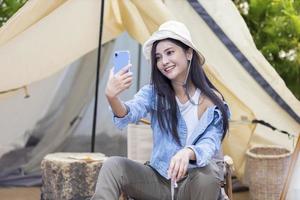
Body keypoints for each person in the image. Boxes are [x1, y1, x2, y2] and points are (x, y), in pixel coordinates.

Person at [91, 20, 230, 200]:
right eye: (158, 57)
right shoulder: (154, 93)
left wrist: (187, 152)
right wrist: (112, 97)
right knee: (113, 166)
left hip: (195, 185)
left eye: (170, 52)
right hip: (160, 182)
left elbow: (210, 143)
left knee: (208, 173)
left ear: (188, 53)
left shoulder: (214, 103)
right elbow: (129, 113)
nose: (164, 61)